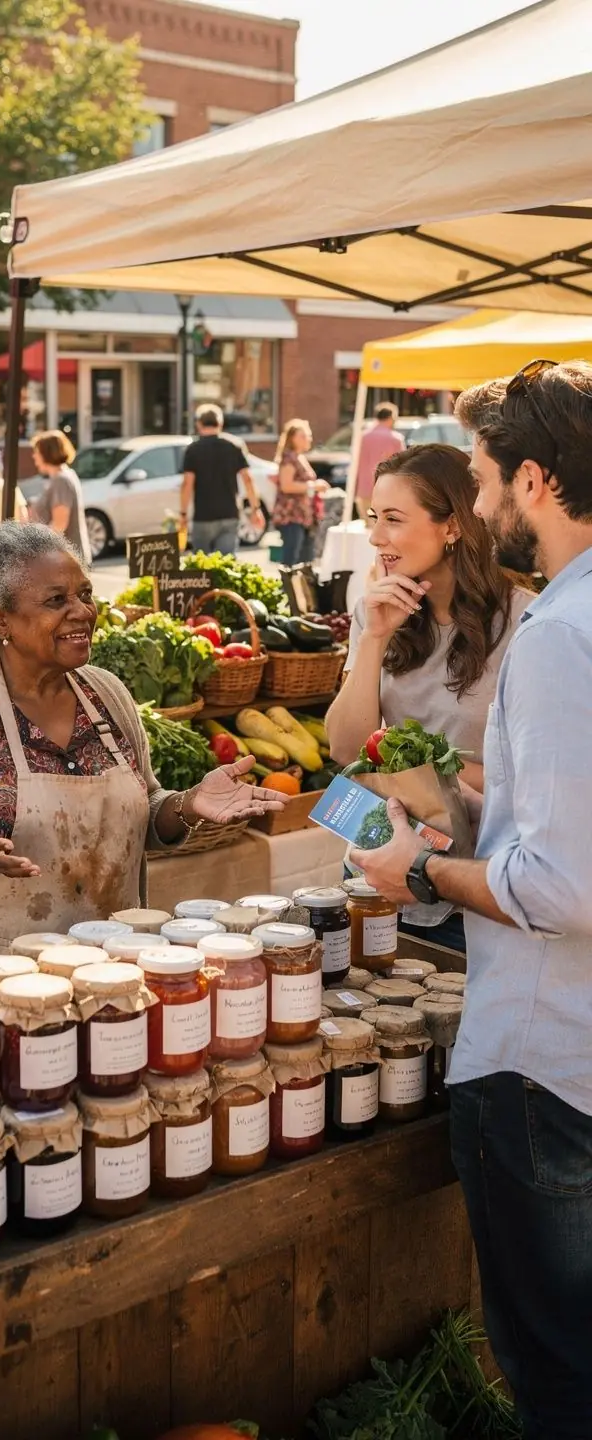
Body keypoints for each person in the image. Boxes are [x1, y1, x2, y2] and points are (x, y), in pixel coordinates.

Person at [349, 360, 592, 1440]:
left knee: (555, 1375)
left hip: (546, 1064)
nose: (483, 499)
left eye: (488, 477)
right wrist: (489, 798)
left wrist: (420, 873)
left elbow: (563, 889)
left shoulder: (557, 635)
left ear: (534, 479)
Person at [0, 524, 285, 964]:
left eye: (85, 594)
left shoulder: (107, 695)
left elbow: (145, 812)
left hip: (110, 966)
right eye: (56, 600)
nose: (82, 611)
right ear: (0, 618)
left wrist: (188, 805)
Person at [326, 443, 531, 951]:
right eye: (374, 518)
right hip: (373, 867)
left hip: (470, 886)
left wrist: (426, 772)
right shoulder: (375, 612)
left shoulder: (527, 624)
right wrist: (374, 638)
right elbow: (345, 750)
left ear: (453, 526)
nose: (376, 537)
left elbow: (533, 782)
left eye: (394, 519)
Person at [180, 404, 263, 554]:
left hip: (203, 515)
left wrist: (183, 514)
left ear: (198, 424)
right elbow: (248, 479)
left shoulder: (192, 450)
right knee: (226, 564)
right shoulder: (234, 446)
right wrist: (255, 509)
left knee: (201, 568)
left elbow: (187, 484)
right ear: (221, 423)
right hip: (229, 513)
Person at [29, 430, 92, 566]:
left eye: (37, 452)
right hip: (67, 559)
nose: (34, 457)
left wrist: (35, 545)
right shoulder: (66, 475)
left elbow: (59, 525)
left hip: (64, 561)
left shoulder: (61, 480)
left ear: (47, 453)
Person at [271, 417, 324, 567]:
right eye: (303, 435)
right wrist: (313, 486)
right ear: (292, 438)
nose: (308, 439)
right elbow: (286, 486)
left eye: (308, 435)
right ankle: (286, 589)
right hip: (291, 516)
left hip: (303, 515)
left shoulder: (300, 457)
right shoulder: (289, 458)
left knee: (304, 559)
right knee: (291, 559)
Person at [355, 402, 404, 517]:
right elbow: (402, 467)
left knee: (367, 526)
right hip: (387, 491)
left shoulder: (362, 437)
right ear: (391, 417)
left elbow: (355, 464)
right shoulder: (395, 439)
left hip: (364, 489)